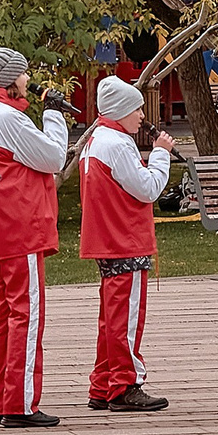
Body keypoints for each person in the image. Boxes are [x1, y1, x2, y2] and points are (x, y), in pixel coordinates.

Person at [0, 46, 71, 427]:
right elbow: (53, 159)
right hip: (20, 227)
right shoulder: (9, 118)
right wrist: (55, 117)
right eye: (23, 74)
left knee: (7, 314)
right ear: (11, 80)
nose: (28, 80)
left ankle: (3, 399)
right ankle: (20, 403)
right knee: (27, 314)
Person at [80, 77, 173, 412]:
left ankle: (103, 383)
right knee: (127, 317)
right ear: (120, 111)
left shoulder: (95, 140)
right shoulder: (118, 144)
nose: (141, 114)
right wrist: (161, 155)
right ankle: (126, 384)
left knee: (111, 316)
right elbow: (147, 189)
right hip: (125, 239)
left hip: (107, 239)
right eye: (137, 108)